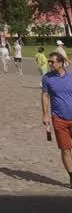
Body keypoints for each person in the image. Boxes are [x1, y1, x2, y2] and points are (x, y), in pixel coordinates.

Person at [41, 51, 72, 187]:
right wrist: (45, 114)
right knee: (65, 149)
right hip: (59, 118)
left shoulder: (71, 76)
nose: (50, 64)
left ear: (60, 63)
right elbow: (45, 96)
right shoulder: (47, 78)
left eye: (52, 62)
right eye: (49, 62)